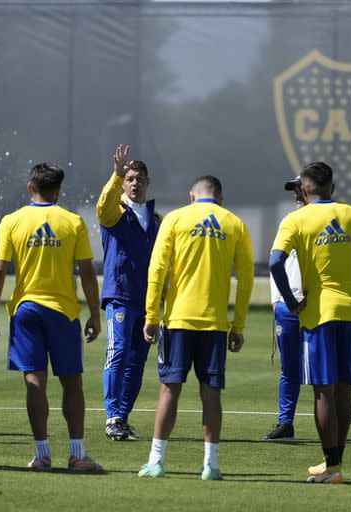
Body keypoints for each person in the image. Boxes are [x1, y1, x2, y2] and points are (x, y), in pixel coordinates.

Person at [270, 162, 351, 484]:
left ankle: (332, 468)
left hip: (320, 315)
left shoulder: (296, 219)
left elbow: (274, 262)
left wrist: (289, 300)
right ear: (333, 186)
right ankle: (334, 464)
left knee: (323, 392)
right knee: (344, 390)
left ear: (304, 189)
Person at [0, 162, 103, 473]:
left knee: (34, 382)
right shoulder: (72, 221)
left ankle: (42, 456)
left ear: (30, 187)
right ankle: (77, 455)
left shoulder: (11, 221)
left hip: (26, 312)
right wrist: (94, 314)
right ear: (58, 190)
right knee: (72, 384)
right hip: (62, 312)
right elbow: (88, 272)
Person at [138, 175, 254, 480]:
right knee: (211, 394)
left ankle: (156, 461)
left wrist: (151, 315)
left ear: (192, 196)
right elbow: (246, 279)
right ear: (221, 199)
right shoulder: (234, 223)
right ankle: (210, 465)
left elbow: (157, 270)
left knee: (168, 390)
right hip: (215, 324)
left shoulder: (175, 219)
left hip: (177, 321)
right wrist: (238, 325)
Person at [96, 144, 161, 441]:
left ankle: (122, 417)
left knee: (137, 360)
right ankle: (112, 417)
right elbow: (101, 207)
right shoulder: (115, 211)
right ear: (124, 182)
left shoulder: (156, 219)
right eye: (130, 178)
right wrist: (115, 173)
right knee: (118, 352)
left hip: (146, 302)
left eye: (139, 178)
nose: (135, 183)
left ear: (148, 182)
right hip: (120, 295)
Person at [263, 176, 305, 441]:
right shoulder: (289, 221)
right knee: (289, 368)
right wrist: (276, 297)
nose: (297, 194)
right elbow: (276, 259)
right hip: (288, 306)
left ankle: (333, 424)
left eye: (301, 188)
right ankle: (285, 423)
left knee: (326, 372)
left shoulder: (329, 219)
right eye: (295, 190)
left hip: (318, 306)